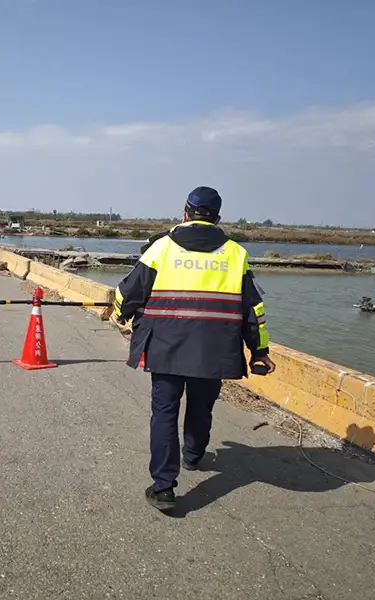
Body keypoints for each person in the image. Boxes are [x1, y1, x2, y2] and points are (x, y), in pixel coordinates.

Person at [113, 186, 275, 511]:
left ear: (185, 212)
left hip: (166, 347)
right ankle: (192, 455)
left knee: (164, 412)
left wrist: (120, 313)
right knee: (201, 407)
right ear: (217, 217)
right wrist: (259, 352)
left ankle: (163, 488)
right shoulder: (235, 254)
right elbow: (252, 311)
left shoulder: (161, 248)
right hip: (214, 350)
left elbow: (129, 290)